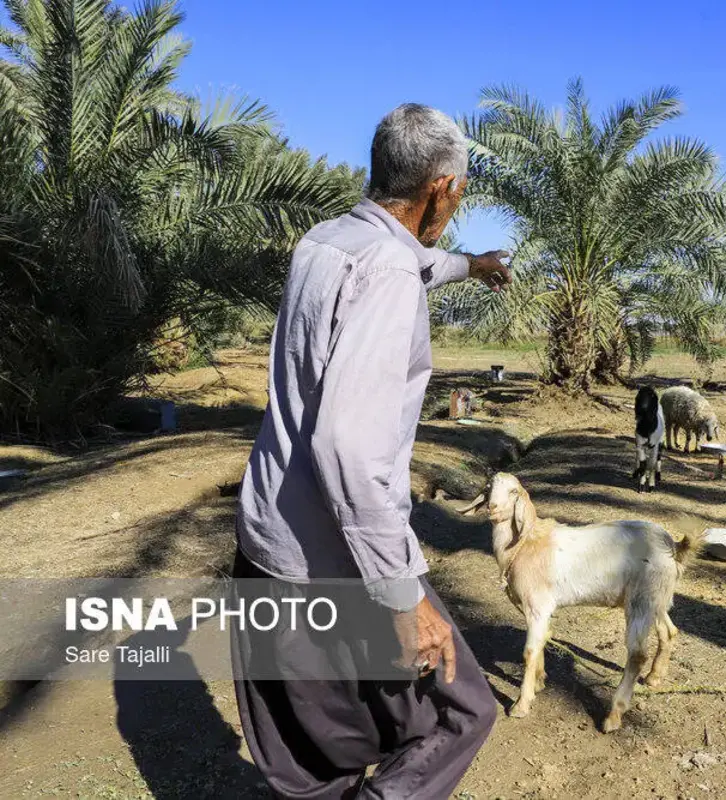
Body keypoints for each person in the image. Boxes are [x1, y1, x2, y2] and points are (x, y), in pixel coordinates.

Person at [231, 103, 510, 799]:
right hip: (335, 569)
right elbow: (348, 449)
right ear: (442, 189)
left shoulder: (325, 242)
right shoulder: (386, 272)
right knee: (459, 711)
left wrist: (469, 266)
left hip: (267, 546)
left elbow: (408, 260)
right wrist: (400, 597)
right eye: (461, 190)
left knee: (305, 764)